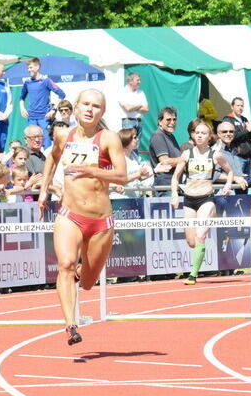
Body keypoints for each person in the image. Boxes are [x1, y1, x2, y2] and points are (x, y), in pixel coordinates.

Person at [39, 88, 126, 345]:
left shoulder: (109, 138)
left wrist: (92, 171)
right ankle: (71, 325)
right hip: (70, 214)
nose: (90, 109)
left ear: (103, 111)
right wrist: (44, 189)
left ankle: (81, 273)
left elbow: (121, 175)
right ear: (76, 108)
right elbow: (52, 159)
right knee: (64, 264)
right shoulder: (64, 135)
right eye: (85, 104)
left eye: (96, 106)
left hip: (100, 221)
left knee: (88, 282)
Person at [170, 119, 234, 285]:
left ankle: (193, 274)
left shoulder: (216, 155)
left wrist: (227, 185)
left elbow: (230, 171)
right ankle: (198, 256)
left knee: (200, 235)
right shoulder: (186, 154)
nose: (199, 136)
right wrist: (175, 194)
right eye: (197, 133)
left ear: (209, 137)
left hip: (206, 198)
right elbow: (175, 176)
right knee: (191, 241)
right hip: (189, 199)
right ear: (193, 135)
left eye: (203, 133)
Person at [19, 57, 65, 147]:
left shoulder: (46, 80)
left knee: (46, 144)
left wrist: (53, 110)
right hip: (31, 118)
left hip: (44, 118)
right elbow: (21, 97)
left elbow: (61, 94)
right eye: (28, 68)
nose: (29, 70)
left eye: (31, 67)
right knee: (32, 144)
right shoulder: (27, 82)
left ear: (38, 67)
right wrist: (22, 108)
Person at [110, 128, 153, 199]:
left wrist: (155, 171)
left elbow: (141, 177)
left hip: (132, 197)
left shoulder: (135, 156)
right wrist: (139, 174)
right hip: (119, 198)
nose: (138, 139)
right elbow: (119, 180)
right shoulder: (116, 158)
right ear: (126, 140)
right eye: (135, 138)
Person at [148, 106, 180, 195]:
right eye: (168, 119)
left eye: (174, 119)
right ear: (160, 121)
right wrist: (185, 159)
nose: (172, 122)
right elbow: (165, 162)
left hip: (173, 184)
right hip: (165, 187)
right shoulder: (158, 136)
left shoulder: (171, 136)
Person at [222, 97, 251, 177]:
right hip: (237, 156)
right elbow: (231, 137)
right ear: (232, 106)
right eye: (238, 105)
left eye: (242, 106)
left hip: (248, 156)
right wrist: (247, 130)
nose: (240, 108)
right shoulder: (228, 119)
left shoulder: (244, 119)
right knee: (238, 181)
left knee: (247, 183)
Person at [212, 121, 248, 192]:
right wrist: (235, 178)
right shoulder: (215, 151)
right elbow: (214, 175)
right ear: (218, 134)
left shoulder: (234, 149)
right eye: (224, 131)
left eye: (231, 131)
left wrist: (241, 176)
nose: (228, 134)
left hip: (237, 192)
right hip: (222, 192)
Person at [118, 72, 149, 138]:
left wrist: (133, 107)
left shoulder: (141, 92)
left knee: (136, 145)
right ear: (130, 81)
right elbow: (128, 108)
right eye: (137, 80)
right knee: (128, 145)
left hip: (139, 121)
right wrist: (140, 105)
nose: (139, 82)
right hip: (128, 122)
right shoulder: (122, 92)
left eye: (139, 80)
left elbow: (146, 109)